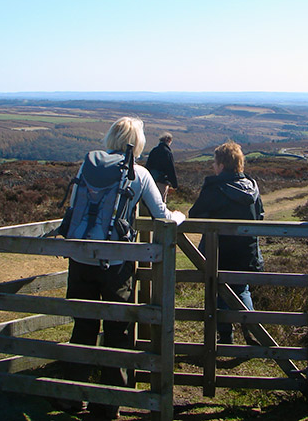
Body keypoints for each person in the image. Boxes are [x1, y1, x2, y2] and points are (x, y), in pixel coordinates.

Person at [58, 117, 184, 419]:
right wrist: (179, 217)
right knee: (118, 331)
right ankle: (107, 404)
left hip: (80, 259)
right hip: (114, 264)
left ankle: (73, 397)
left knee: (83, 327)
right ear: (136, 142)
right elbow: (161, 215)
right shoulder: (138, 173)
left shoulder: (86, 166)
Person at [188, 140, 264, 345]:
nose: (212, 166)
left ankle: (225, 336)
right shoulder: (252, 188)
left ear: (222, 165)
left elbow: (194, 215)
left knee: (219, 290)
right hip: (247, 254)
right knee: (242, 290)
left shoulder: (215, 188)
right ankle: (253, 331)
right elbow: (261, 217)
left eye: (215, 162)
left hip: (218, 254)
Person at [144, 132, 178, 202]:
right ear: (169, 141)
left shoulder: (154, 150)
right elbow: (170, 168)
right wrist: (174, 184)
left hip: (152, 179)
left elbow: (148, 165)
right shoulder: (167, 152)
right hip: (162, 180)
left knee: (151, 200)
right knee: (161, 201)